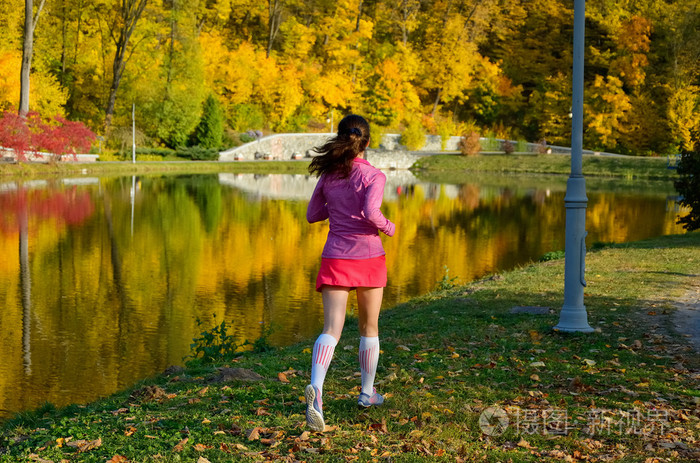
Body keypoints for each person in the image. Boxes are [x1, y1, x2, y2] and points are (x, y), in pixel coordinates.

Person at [304, 114, 396, 432]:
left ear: (340, 138)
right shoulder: (374, 175)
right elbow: (372, 213)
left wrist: (338, 204)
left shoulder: (328, 176)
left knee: (331, 327)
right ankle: (367, 394)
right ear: (366, 143)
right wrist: (390, 226)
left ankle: (317, 388)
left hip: (335, 256)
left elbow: (313, 214)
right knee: (369, 327)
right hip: (369, 256)